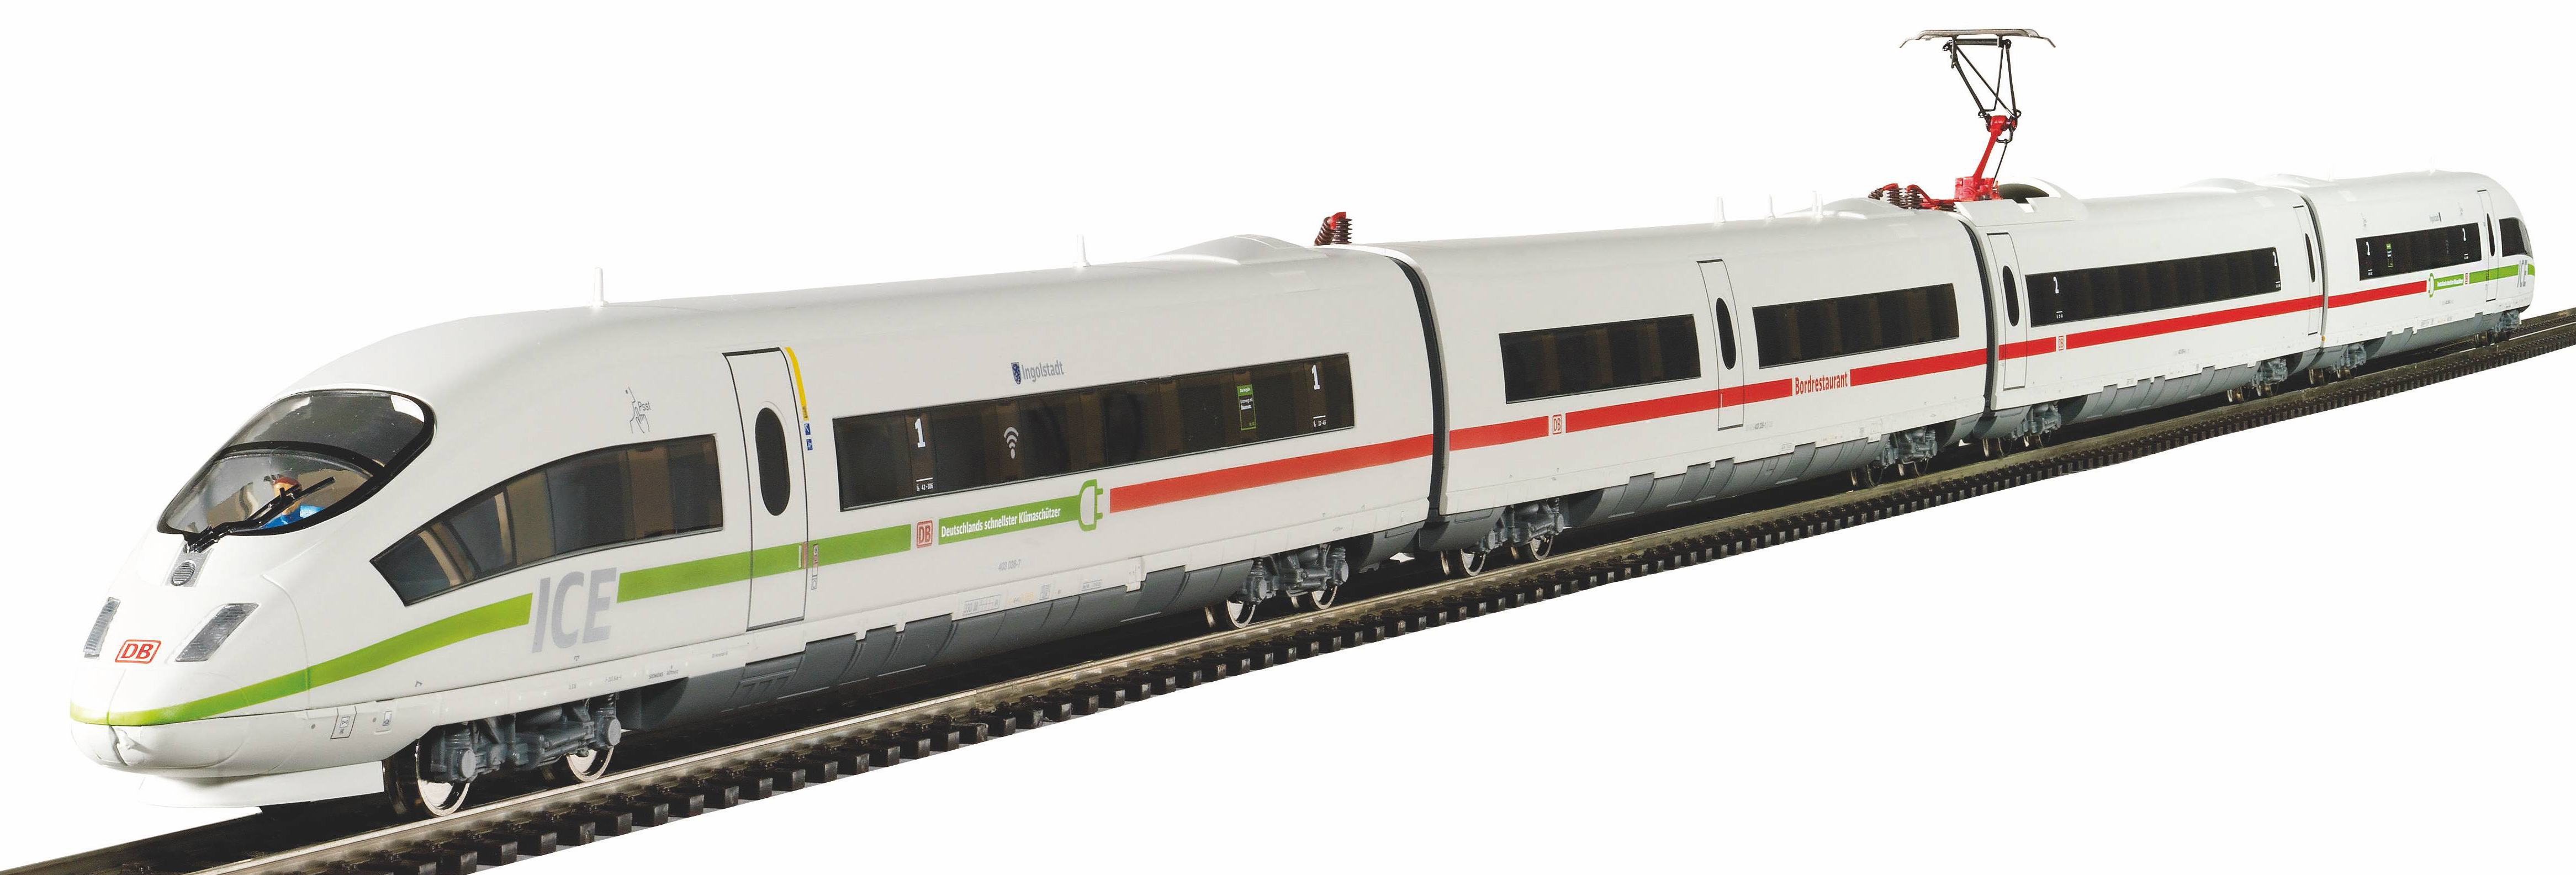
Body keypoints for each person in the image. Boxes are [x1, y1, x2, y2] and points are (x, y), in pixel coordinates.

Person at [258, 474, 327, 529]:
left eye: (289, 497)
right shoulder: (267, 527)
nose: (284, 502)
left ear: (301, 498)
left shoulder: (317, 515)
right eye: (278, 498)